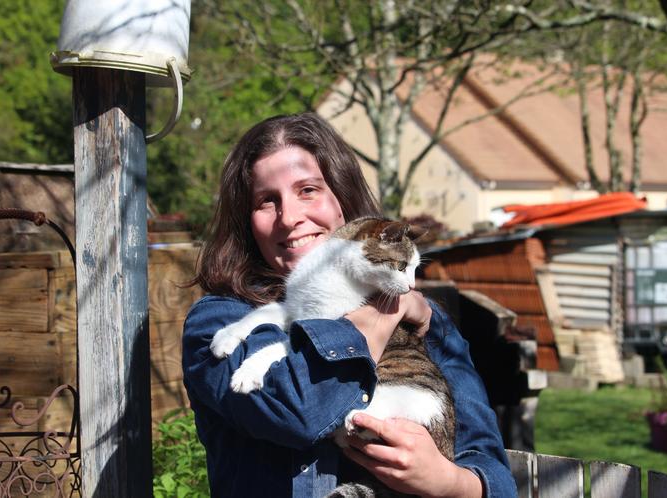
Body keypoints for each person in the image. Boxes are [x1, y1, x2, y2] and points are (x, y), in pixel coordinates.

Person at [182, 112, 516, 497]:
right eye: (266, 201)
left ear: (342, 199)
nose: (290, 218)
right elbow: (302, 412)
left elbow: (494, 474)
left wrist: (449, 482)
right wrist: (383, 313)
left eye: (308, 190)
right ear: (246, 220)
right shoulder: (220, 321)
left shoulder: (428, 320)